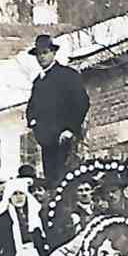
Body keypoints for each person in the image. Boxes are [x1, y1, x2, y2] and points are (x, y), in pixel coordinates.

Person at [25, 35, 90, 184]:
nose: (41, 57)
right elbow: (31, 107)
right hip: (46, 141)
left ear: (53, 53)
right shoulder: (38, 82)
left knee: (67, 179)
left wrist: (71, 129)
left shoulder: (67, 75)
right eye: (39, 54)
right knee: (51, 180)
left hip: (64, 138)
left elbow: (82, 102)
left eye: (45, 52)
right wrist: (34, 124)